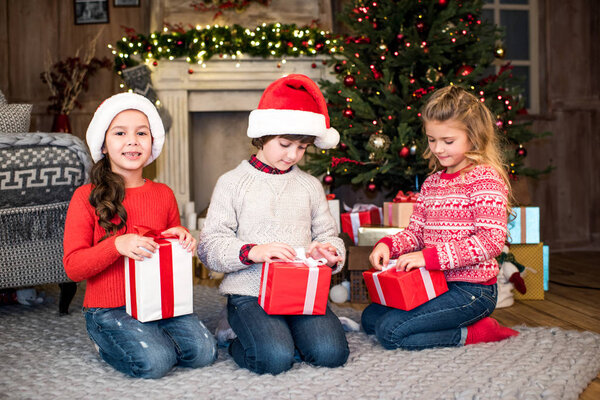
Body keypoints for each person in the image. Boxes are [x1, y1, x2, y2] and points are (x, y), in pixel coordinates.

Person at [197, 74, 349, 375]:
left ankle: (283, 332)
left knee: (332, 353)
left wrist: (331, 252)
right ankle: (234, 331)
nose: (293, 155)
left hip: (301, 291)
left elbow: (330, 235)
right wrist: (252, 251)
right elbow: (209, 246)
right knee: (274, 359)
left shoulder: (309, 186)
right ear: (263, 136)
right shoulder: (232, 183)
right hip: (250, 292)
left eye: (303, 147)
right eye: (285, 144)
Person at [63, 92, 217, 379]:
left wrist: (183, 238)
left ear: (153, 142)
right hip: (109, 308)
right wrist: (116, 245)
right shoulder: (85, 197)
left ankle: (150, 332)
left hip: (160, 303)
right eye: (120, 133)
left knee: (204, 352)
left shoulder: (163, 194)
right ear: (104, 144)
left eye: (141, 133)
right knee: (155, 362)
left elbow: (169, 245)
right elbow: (73, 267)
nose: (133, 140)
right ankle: (107, 342)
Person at [362, 85, 519, 350]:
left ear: (473, 136)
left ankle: (475, 332)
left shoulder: (484, 179)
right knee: (370, 319)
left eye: (448, 141)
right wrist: (387, 245)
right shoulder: (433, 182)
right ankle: (445, 322)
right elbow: (416, 233)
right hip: (433, 284)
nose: (438, 149)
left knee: (390, 332)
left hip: (472, 291)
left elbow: (490, 241)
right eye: (432, 139)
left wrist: (427, 257)